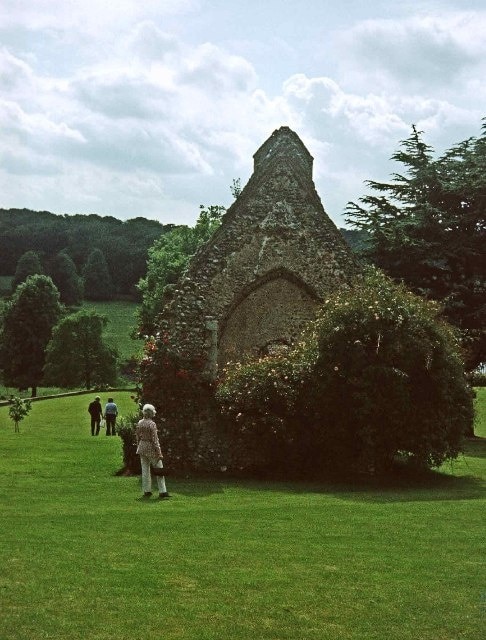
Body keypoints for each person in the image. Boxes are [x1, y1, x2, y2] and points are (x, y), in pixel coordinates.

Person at [135, 404, 170, 499]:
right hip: (151, 447)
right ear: (151, 413)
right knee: (159, 469)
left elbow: (137, 436)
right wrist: (159, 452)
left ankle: (147, 490)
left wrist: (139, 446)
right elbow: (155, 439)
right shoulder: (152, 424)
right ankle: (163, 491)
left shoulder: (140, 422)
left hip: (142, 447)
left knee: (145, 470)